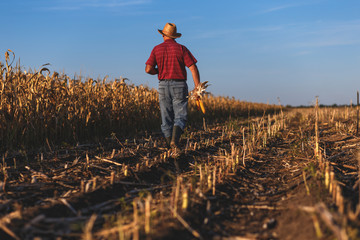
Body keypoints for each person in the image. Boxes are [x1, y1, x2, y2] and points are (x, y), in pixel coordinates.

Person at [145, 23, 200, 149]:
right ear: (174, 36)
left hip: (163, 85)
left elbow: (148, 69)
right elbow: (193, 68)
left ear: (163, 35)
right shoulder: (181, 48)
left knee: (166, 116)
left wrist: (158, 71)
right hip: (179, 85)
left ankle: (169, 146)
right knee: (180, 116)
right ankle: (174, 142)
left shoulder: (156, 49)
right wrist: (197, 87)